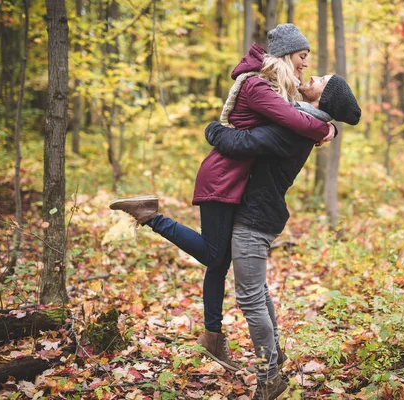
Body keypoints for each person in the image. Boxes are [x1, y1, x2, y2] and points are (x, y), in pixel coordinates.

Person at [109, 24, 335, 371]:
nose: (306, 64)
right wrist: (327, 126)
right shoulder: (258, 86)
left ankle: (213, 338)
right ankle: (151, 216)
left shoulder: (272, 87)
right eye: (302, 57)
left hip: (234, 181)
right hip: (222, 178)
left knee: (219, 262)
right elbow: (292, 119)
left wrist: (324, 120)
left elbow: (290, 116)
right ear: (288, 55)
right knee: (215, 256)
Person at [205, 74, 361, 399]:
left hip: (255, 217)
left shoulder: (295, 129)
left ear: (324, 96)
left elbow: (241, 144)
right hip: (261, 213)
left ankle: (269, 378)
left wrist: (213, 129)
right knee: (258, 292)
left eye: (320, 79)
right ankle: (275, 355)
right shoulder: (304, 122)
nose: (312, 75)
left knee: (249, 298)